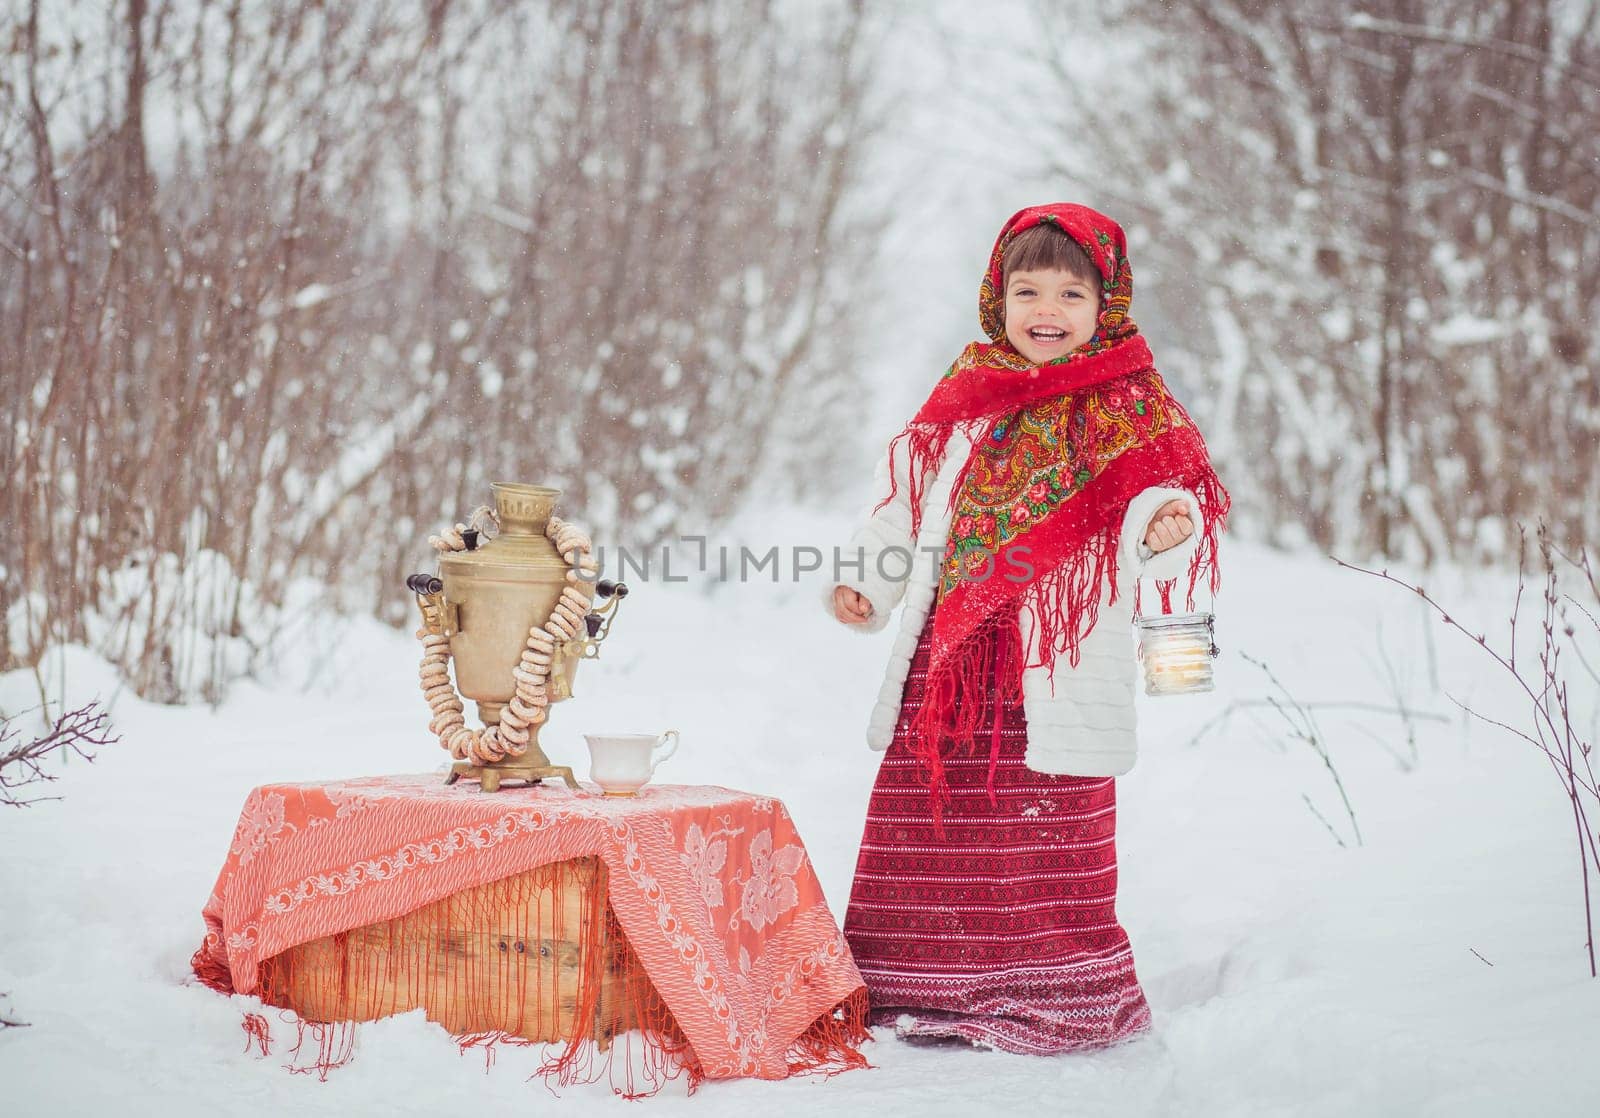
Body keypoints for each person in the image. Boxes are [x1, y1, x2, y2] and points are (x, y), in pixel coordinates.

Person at [825, 203, 1229, 1054]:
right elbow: (897, 508)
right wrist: (867, 582)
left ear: (1106, 304)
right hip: (951, 656)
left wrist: (1164, 523)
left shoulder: (1126, 404)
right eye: (1028, 289)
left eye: (1071, 293)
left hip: (1058, 656)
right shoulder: (965, 401)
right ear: (996, 297)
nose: (1047, 310)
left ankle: (1051, 992)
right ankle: (916, 986)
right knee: (936, 817)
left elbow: (1162, 495)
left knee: (1043, 825)